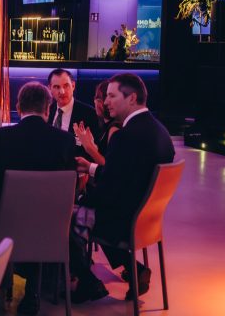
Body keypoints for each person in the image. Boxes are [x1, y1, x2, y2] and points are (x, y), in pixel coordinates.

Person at [0, 82, 76, 315]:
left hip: (3, 230)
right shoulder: (64, 141)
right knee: (39, 215)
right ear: (47, 109)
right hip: (50, 230)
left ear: (18, 108)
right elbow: (69, 188)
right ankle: (33, 292)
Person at [75, 73, 175, 301]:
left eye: (112, 96)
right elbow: (122, 175)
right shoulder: (160, 132)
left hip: (124, 221)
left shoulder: (125, 136)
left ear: (132, 98)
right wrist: (91, 168)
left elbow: (108, 190)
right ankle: (133, 269)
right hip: (147, 218)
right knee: (85, 212)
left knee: (71, 219)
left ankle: (86, 282)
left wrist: (79, 201)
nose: (106, 101)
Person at [47, 68, 99, 155]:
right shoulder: (47, 111)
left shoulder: (89, 113)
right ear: (50, 89)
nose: (62, 92)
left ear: (73, 86)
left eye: (66, 86)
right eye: (56, 87)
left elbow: (96, 148)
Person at [75, 80, 120, 166]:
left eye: (98, 99)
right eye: (96, 98)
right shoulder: (105, 126)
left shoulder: (114, 128)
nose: (95, 102)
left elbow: (110, 166)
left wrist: (89, 147)